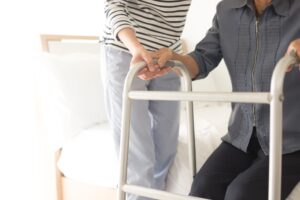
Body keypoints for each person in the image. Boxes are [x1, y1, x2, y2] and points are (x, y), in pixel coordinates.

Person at [141, 0, 300, 199]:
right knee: (202, 188)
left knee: (241, 193)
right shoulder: (227, 9)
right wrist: (174, 58)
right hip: (241, 136)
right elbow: (202, 58)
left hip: (292, 140)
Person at [103, 1, 191, 199]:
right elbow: (113, 4)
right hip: (126, 51)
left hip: (168, 56)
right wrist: (135, 47)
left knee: (166, 148)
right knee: (137, 156)